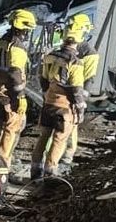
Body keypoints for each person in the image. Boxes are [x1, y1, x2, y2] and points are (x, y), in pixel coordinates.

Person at [0, 9, 36, 195]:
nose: (28, 33)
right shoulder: (18, 47)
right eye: (28, 29)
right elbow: (15, 75)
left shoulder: (3, 41)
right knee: (10, 130)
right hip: (8, 95)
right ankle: (1, 173)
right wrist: (20, 99)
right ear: (23, 29)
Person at [30, 19, 88, 179]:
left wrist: (46, 92)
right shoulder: (75, 62)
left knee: (44, 136)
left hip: (48, 103)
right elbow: (76, 89)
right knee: (59, 139)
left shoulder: (50, 56)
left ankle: (35, 170)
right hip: (64, 108)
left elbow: (42, 79)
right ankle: (50, 172)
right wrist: (81, 109)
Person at [56, 14, 99, 169]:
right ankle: (54, 155)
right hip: (60, 92)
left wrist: (80, 99)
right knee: (60, 126)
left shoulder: (90, 53)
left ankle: (67, 156)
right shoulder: (68, 45)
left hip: (74, 93)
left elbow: (89, 78)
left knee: (71, 125)